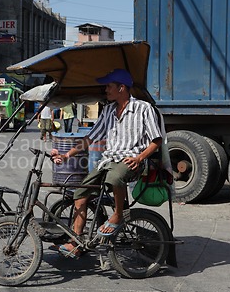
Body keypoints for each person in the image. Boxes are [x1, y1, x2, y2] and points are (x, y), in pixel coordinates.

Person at [51, 69, 162, 259]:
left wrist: (139, 158)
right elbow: (90, 138)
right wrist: (67, 154)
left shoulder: (143, 108)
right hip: (108, 161)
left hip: (132, 160)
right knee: (80, 193)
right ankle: (77, 242)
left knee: (115, 176)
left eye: (109, 86)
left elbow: (156, 140)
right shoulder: (109, 110)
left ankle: (118, 215)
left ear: (121, 88)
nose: (105, 90)